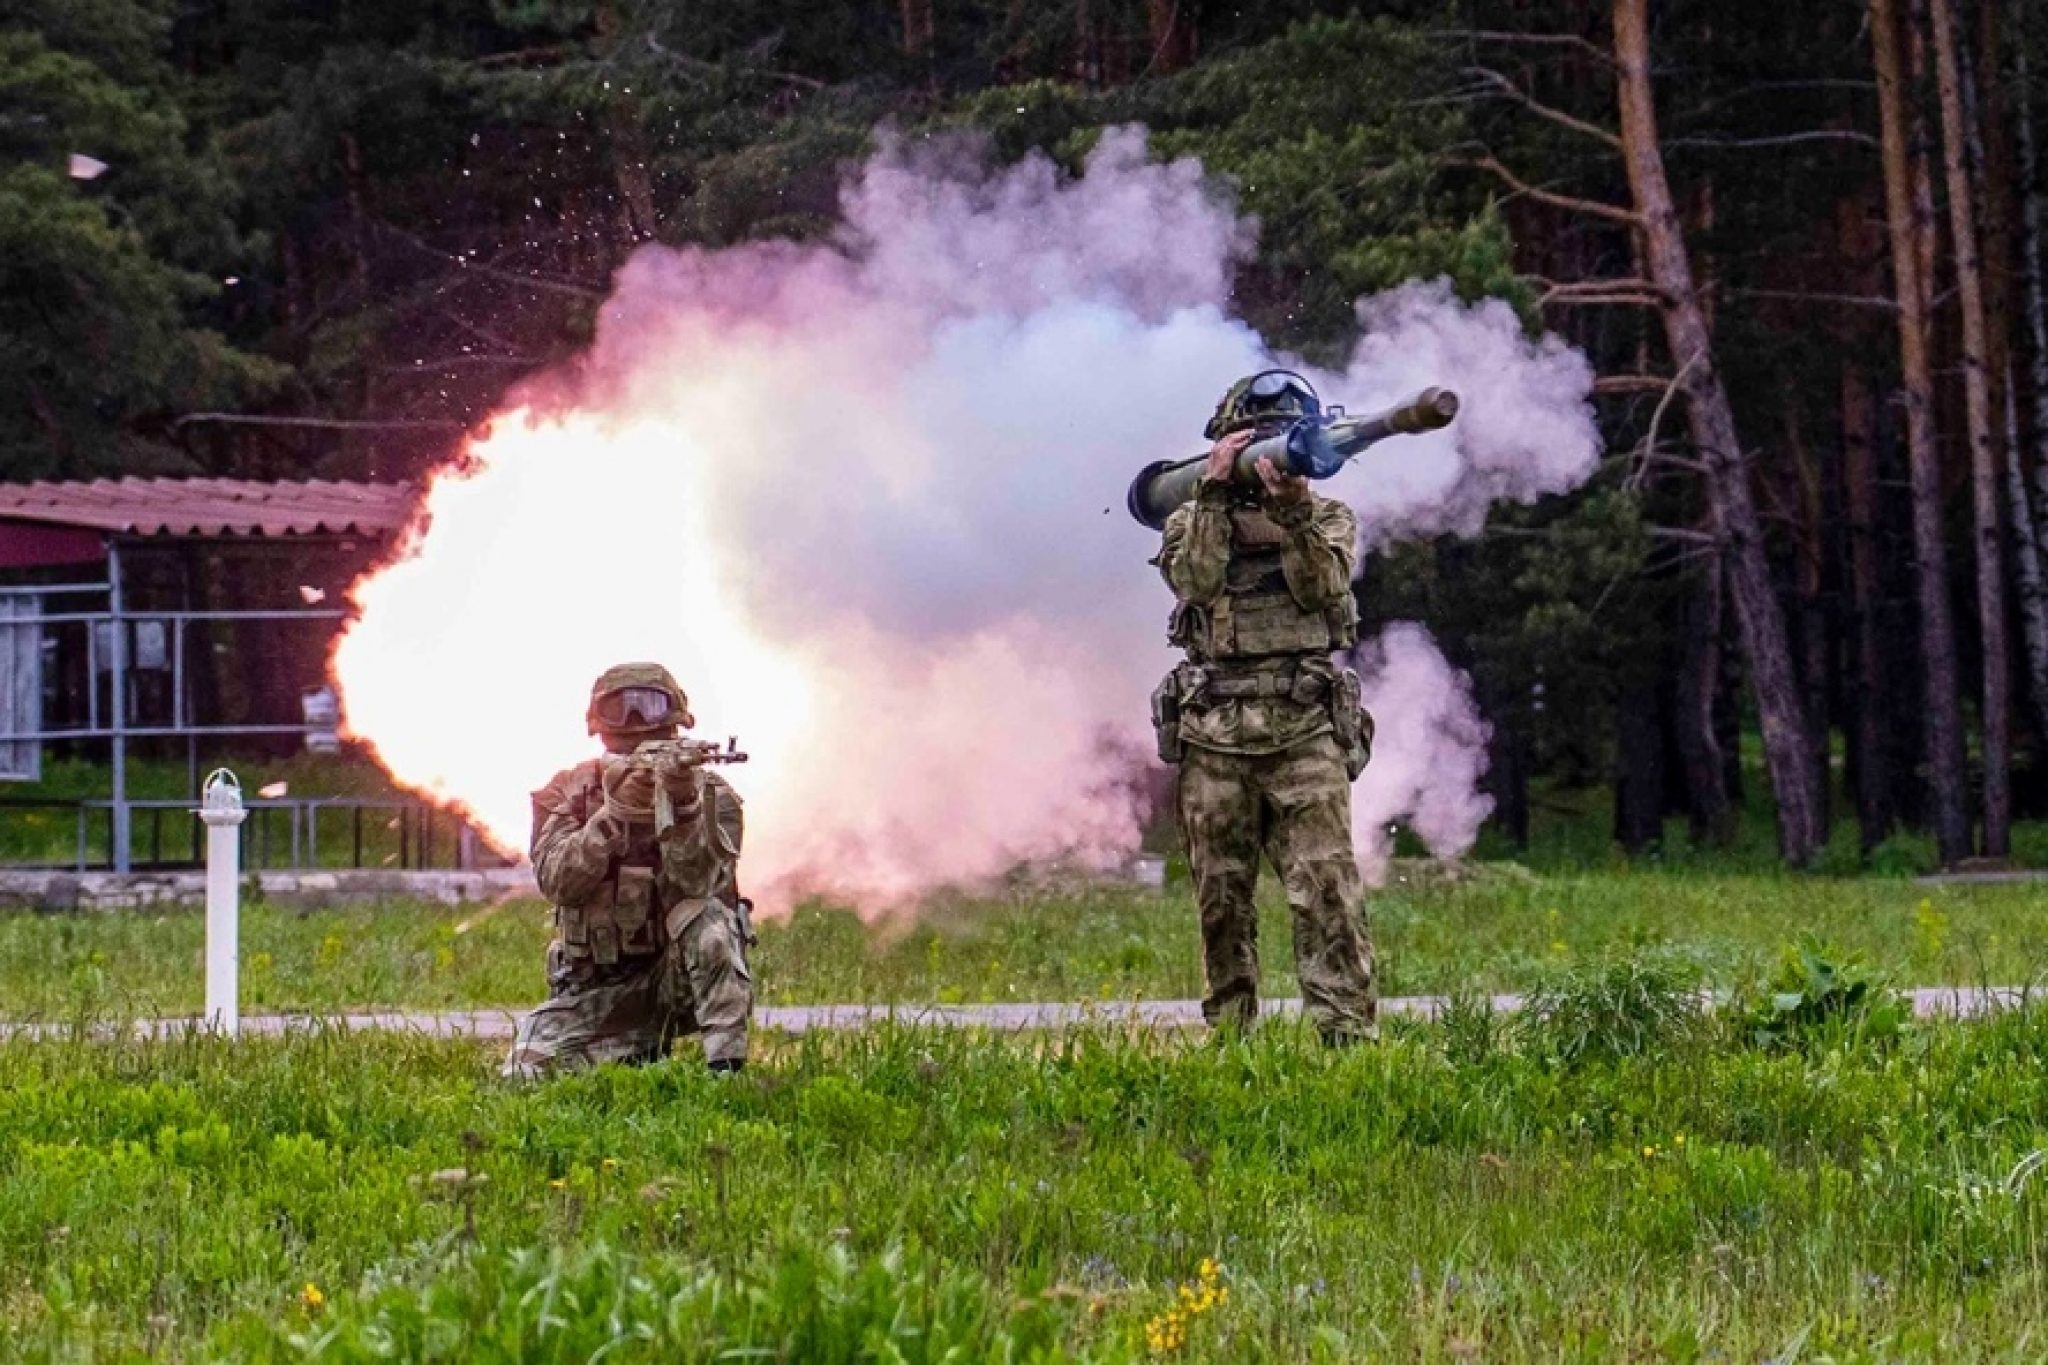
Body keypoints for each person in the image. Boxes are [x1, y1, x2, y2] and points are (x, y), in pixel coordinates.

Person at [1151, 371, 1378, 1044]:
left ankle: (1345, 1042)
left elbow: (1322, 588)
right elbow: (1195, 578)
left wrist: (1294, 511)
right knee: (1221, 899)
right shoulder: (1190, 518)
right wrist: (1217, 493)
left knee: (1326, 892)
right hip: (1214, 733)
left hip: (1303, 730)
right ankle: (1231, 1038)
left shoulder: (1328, 517)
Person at [501, 662, 754, 1078]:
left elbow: (701, 880)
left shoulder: (711, 794)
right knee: (523, 1075)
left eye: (649, 707)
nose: (636, 719)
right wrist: (614, 817)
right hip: (597, 989)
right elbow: (558, 881)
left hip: (682, 982)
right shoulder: (569, 792)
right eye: (622, 709)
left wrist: (683, 805)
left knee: (708, 919)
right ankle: (634, 1050)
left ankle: (727, 1071)